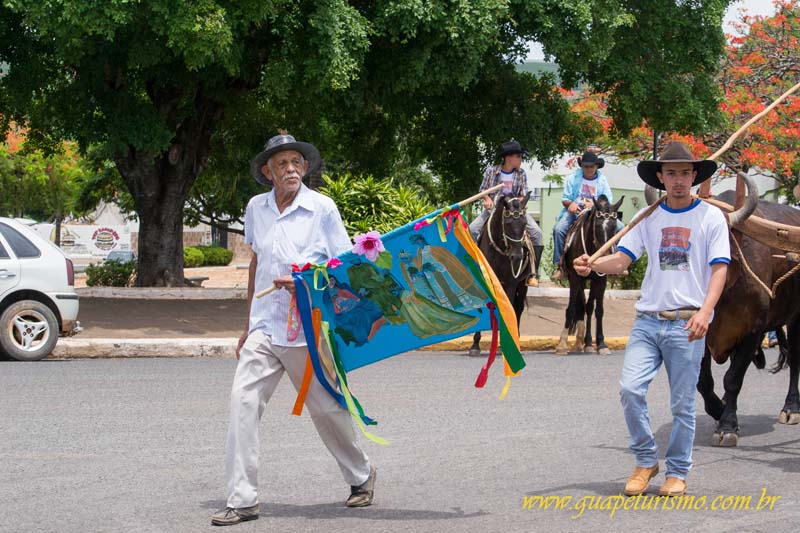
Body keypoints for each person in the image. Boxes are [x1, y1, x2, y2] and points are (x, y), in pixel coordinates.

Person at [211, 134, 376, 526]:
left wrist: (304, 281)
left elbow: (342, 268)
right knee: (242, 404)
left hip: (306, 329)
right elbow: (256, 263)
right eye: (282, 164)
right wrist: (247, 323)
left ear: (304, 168)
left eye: (296, 163)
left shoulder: (322, 209)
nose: (290, 169)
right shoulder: (256, 208)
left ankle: (362, 476)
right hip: (265, 327)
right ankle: (243, 499)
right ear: (268, 172)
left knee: (326, 410)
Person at [573, 142, 730, 497]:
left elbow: (719, 268)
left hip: (687, 323)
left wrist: (706, 311)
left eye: (684, 173)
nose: (677, 180)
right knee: (630, 390)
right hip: (647, 321)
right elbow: (623, 260)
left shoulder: (710, 218)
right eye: (671, 173)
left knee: (681, 404)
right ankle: (646, 461)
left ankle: (677, 471)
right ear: (660, 177)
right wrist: (593, 264)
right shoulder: (647, 217)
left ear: (694, 177)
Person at [469, 139, 544, 287]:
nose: (521, 160)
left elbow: (522, 194)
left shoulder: (521, 173)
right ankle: (473, 268)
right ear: (509, 157)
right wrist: (486, 199)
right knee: (472, 230)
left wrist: (520, 204)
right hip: (494, 210)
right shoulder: (492, 171)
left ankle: (532, 273)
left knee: (537, 233)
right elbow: (483, 190)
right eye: (519, 156)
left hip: (514, 212)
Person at [552, 151, 622, 279]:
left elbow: (608, 201)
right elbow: (565, 198)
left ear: (596, 166)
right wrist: (570, 205)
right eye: (586, 166)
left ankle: (619, 261)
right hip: (576, 212)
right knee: (558, 229)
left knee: (621, 228)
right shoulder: (573, 178)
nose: (589, 169)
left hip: (597, 214)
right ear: (582, 166)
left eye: (591, 166)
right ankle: (560, 265)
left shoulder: (602, 180)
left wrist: (595, 205)